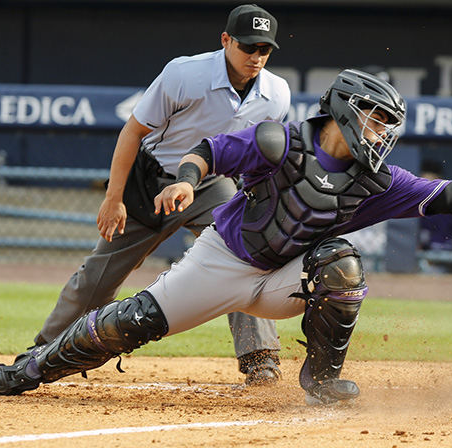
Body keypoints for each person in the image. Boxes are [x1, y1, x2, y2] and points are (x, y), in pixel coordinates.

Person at [0, 69, 452, 405]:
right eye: (375, 118)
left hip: (280, 281)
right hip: (222, 260)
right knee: (130, 321)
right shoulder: (279, 141)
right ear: (342, 109)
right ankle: (34, 367)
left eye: (388, 125)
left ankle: (321, 379)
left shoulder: (379, 181)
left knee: (342, 265)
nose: (382, 132)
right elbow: (209, 152)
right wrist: (186, 182)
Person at [28, 4, 290, 386]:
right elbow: (132, 132)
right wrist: (113, 198)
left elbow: (260, 154)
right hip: (155, 182)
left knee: (246, 255)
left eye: (264, 49)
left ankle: (260, 357)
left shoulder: (276, 92)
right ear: (225, 40)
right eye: (248, 46)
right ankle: (44, 350)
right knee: (101, 273)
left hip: (214, 184)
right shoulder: (185, 73)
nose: (256, 56)